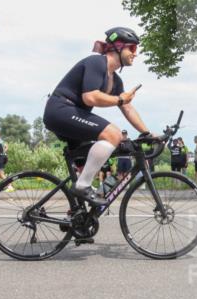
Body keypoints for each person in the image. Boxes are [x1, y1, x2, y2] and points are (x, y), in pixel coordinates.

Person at [42, 27, 151, 206]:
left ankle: (77, 215)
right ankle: (82, 186)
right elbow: (90, 97)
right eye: (132, 48)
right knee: (113, 135)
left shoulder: (115, 80)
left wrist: (148, 134)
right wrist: (119, 99)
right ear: (118, 47)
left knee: (92, 161)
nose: (135, 54)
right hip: (61, 109)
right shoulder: (96, 63)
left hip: (74, 115)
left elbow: (128, 108)